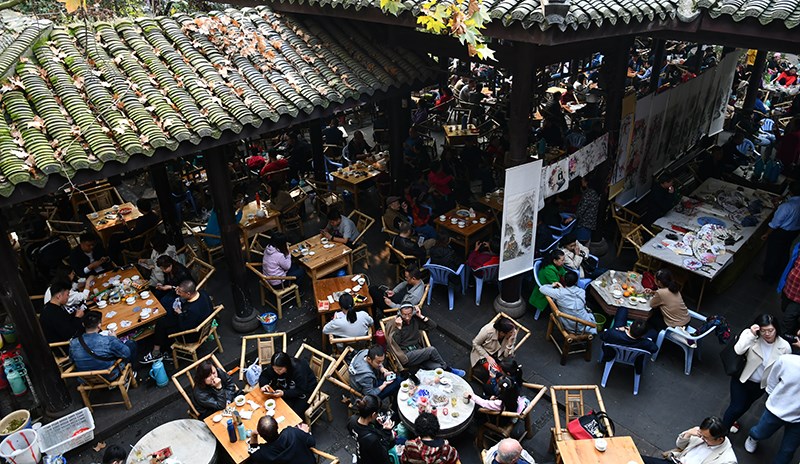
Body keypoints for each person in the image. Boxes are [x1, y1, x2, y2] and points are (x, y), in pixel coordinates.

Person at [722, 314, 791, 434]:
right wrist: (751, 334)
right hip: (742, 379)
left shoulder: (784, 347)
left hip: (760, 385)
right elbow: (738, 350)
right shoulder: (751, 336)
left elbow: (784, 368)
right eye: (763, 331)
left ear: (776, 329)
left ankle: (732, 421)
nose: (767, 334)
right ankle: (722, 431)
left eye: (770, 330)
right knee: (736, 407)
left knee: (745, 406)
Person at [744, 354, 800, 462]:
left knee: (787, 451)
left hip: (798, 420)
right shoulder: (787, 360)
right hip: (776, 410)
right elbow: (773, 380)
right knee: (760, 433)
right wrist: (773, 398)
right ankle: (753, 437)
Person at [142, 279, 213, 363]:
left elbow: (184, 327)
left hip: (193, 334)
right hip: (202, 322)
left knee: (162, 325)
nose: (177, 293)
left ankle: (156, 352)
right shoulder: (203, 293)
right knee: (165, 319)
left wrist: (180, 313)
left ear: (188, 294)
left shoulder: (192, 310)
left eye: (180, 293)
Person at [388, 303, 465, 375]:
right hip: (407, 355)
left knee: (439, 368)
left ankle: (442, 370)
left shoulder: (414, 320)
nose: (407, 317)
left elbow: (433, 326)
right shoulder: (396, 324)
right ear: (400, 314)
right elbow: (395, 343)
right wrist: (399, 328)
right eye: (404, 315)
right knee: (431, 350)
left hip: (418, 352)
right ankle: (449, 369)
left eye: (409, 314)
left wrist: (421, 316)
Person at [640, 416, 736, 464]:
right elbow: (680, 446)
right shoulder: (701, 432)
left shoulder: (727, 460)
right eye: (701, 435)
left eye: (705, 438)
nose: (702, 438)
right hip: (676, 461)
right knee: (637, 460)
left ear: (719, 439)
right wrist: (688, 433)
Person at [70, 310, 136, 378]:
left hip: (87, 378)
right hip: (109, 374)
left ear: (83, 324)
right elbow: (126, 353)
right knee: (130, 344)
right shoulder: (107, 340)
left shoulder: (73, 343)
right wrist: (114, 339)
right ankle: (130, 375)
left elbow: (72, 360)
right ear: (99, 326)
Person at [258, 351, 318, 417]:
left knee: (292, 414)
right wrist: (264, 385)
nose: (276, 371)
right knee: (269, 403)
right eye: (274, 369)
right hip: (287, 387)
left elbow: (301, 390)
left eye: (279, 369)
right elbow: (264, 375)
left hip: (305, 390)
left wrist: (284, 393)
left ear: (287, 366)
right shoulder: (275, 367)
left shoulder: (299, 370)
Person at [762, 181, 800, 282]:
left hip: (781, 233)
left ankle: (768, 277)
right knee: (784, 251)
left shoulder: (787, 206)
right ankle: (780, 272)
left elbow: (775, 224)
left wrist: (766, 234)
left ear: (790, 191)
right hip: (794, 232)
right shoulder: (794, 204)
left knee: (773, 254)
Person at [107, 198, 160, 262]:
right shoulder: (155, 215)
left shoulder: (141, 220)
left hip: (138, 243)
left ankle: (113, 259)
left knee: (114, 237)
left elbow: (130, 235)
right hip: (149, 239)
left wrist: (124, 224)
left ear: (140, 209)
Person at [348, 395, 396, 464]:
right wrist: (387, 431)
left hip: (362, 455)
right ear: (373, 414)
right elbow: (383, 453)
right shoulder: (372, 439)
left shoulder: (352, 420)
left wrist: (375, 422)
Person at [248, 416, 316, 464]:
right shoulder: (292, 433)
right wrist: (305, 433)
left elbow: (252, 451)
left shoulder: (263, 453)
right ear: (277, 426)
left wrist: (253, 435)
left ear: (260, 435)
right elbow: (312, 442)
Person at [471, 316, 518, 385]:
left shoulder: (512, 335)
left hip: (498, 356)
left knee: (509, 371)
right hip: (483, 354)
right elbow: (475, 343)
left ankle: (503, 385)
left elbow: (506, 355)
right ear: (502, 333)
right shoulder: (487, 331)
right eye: (511, 332)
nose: (514, 333)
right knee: (497, 373)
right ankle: (490, 389)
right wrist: (487, 357)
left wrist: (509, 344)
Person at [645, 268, 690, 335]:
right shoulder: (675, 288)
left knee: (652, 317)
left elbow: (652, 305)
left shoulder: (660, 292)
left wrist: (654, 294)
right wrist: (653, 292)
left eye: (655, 279)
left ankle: (653, 335)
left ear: (659, 282)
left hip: (675, 326)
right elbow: (666, 295)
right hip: (686, 320)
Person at [528, 249, 567, 314]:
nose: (564, 262)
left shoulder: (558, 266)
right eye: (562, 260)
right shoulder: (549, 270)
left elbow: (563, 273)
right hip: (546, 288)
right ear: (555, 261)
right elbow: (556, 284)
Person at [778, 240, 800, 337]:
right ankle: (795, 328)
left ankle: (784, 339)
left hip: (798, 298)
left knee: (788, 318)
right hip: (789, 288)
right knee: (784, 308)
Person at [575, 175, 602, 242]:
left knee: (581, 242)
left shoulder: (589, 194)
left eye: (583, 180)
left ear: (587, 182)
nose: (581, 181)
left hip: (585, 223)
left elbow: (582, 209)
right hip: (589, 223)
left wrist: (574, 217)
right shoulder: (592, 192)